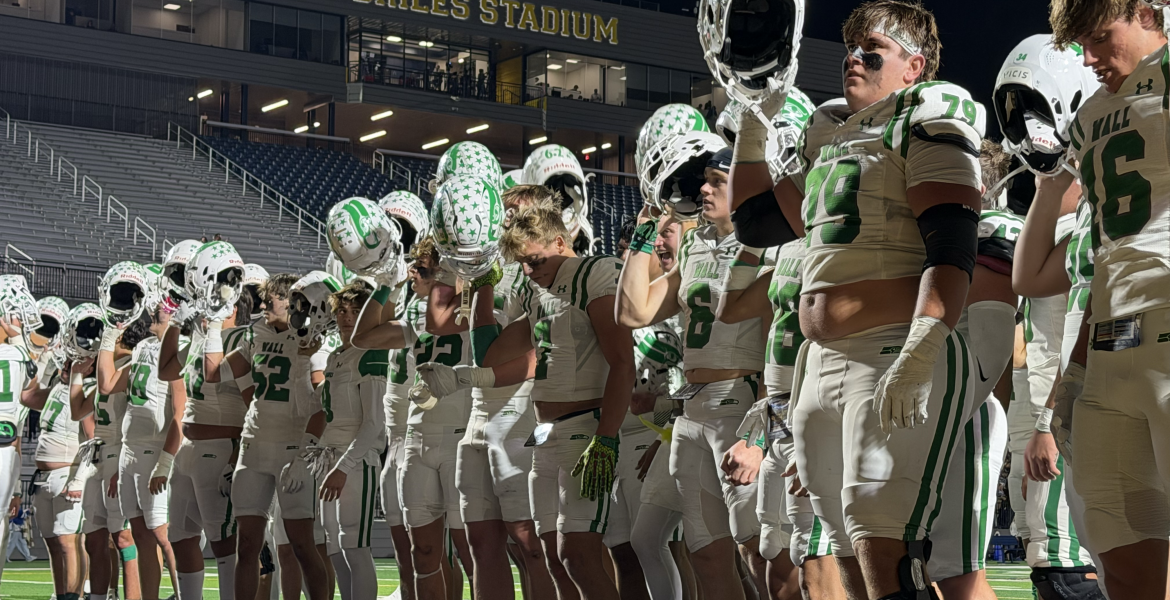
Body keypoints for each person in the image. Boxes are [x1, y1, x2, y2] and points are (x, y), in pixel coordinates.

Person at [744, 2, 984, 598]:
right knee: (846, 548)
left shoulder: (924, 114)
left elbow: (952, 248)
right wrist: (753, 117)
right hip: (821, 363)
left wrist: (922, 348)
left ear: (914, 66)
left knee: (884, 549)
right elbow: (754, 222)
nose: (853, 58)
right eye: (849, 49)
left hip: (888, 354)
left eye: (871, 50)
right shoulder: (835, 136)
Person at [417, 199, 634, 600]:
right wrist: (483, 284)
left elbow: (623, 363)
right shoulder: (537, 292)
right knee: (554, 558)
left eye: (535, 261)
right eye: (525, 265)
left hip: (584, 428)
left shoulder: (595, 273)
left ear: (558, 241)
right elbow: (493, 353)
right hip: (544, 435)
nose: (531, 272)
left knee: (579, 556)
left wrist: (606, 435)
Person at [1030, 2, 1170, 597]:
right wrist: (1079, 364)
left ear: (1144, 12)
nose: (1088, 58)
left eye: (1099, 38)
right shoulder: (1091, 114)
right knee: (1122, 562)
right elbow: (1105, 251)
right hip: (1112, 346)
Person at [350, 241, 474, 600]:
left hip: (459, 435)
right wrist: (387, 283)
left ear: (445, 269)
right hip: (416, 437)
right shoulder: (418, 311)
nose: (412, 273)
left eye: (421, 268)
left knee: (470, 550)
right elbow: (363, 337)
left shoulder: (475, 305)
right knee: (423, 554)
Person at [222, 272, 333, 600]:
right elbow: (231, 366)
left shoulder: (313, 340)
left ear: (295, 302)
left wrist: (306, 452)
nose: (265, 303)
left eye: (274, 298)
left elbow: (320, 404)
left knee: (302, 545)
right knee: (247, 545)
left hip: (291, 447)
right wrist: (251, 401)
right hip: (254, 444)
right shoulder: (257, 331)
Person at [157, 291, 254, 600]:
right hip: (189, 450)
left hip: (219, 447)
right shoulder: (201, 338)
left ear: (233, 308)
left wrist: (238, 455)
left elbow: (254, 404)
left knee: (224, 541)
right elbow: (166, 369)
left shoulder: (242, 340)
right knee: (182, 536)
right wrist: (175, 323)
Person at [315, 281, 386, 600]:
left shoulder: (370, 353)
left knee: (355, 547)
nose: (347, 317)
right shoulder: (335, 356)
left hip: (355, 461)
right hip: (329, 457)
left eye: (356, 310)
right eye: (342, 310)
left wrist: (344, 467)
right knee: (334, 548)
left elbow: (374, 423)